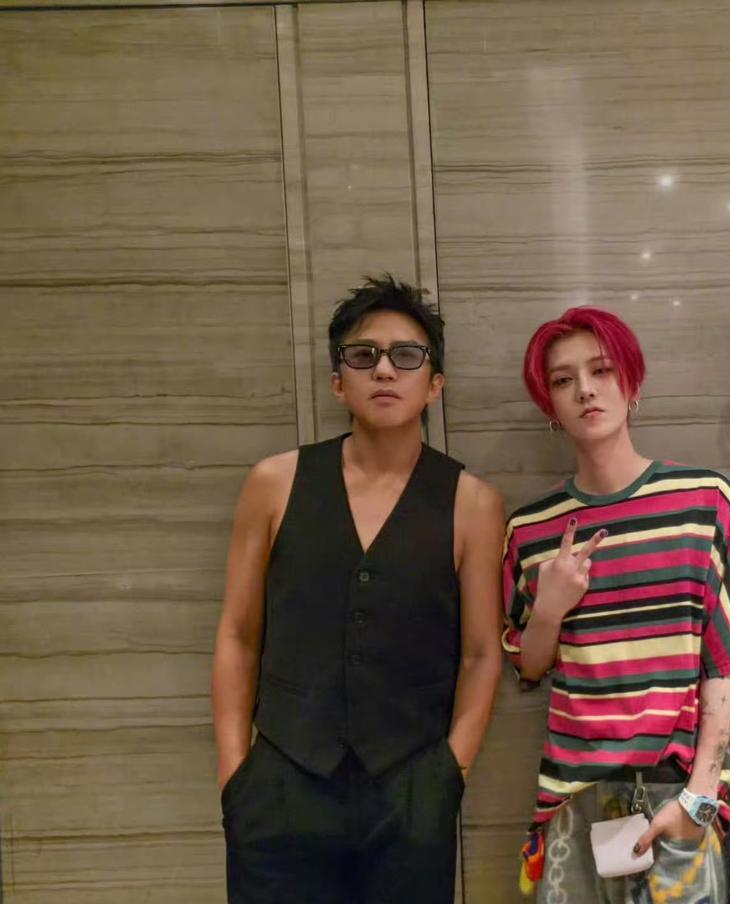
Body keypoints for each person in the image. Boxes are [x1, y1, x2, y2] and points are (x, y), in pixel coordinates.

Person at [211, 275, 504, 902]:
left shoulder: (472, 503)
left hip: (411, 791)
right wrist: (235, 773)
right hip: (281, 785)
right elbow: (238, 635)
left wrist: (449, 773)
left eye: (407, 356)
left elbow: (483, 653)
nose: (385, 370)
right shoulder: (275, 483)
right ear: (338, 382)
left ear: (435, 384)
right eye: (364, 355)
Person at [501, 306, 730, 903]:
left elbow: (726, 660)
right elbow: (529, 665)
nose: (585, 389)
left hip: (677, 795)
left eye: (602, 370)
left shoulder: (704, 502)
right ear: (549, 403)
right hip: (572, 801)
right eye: (563, 380)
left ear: (631, 382)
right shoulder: (531, 530)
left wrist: (700, 795)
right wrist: (551, 607)